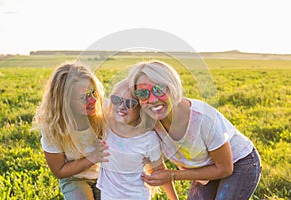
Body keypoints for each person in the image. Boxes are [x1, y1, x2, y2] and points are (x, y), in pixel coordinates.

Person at [127, 60, 262, 200]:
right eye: (143, 93)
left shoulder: (204, 119)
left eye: (159, 90)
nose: (153, 100)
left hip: (239, 163)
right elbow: (159, 171)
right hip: (203, 168)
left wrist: (174, 175)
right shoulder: (148, 124)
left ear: (172, 87)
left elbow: (225, 168)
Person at [33, 63, 109, 200]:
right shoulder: (54, 128)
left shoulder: (105, 109)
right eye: (83, 97)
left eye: (93, 92)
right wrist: (93, 157)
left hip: (105, 173)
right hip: (74, 178)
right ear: (65, 101)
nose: (93, 100)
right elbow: (59, 170)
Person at [96, 79, 178, 200]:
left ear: (141, 108)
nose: (122, 106)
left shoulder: (148, 138)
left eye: (129, 103)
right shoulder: (106, 126)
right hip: (108, 195)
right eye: (116, 100)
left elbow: (159, 171)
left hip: (136, 196)